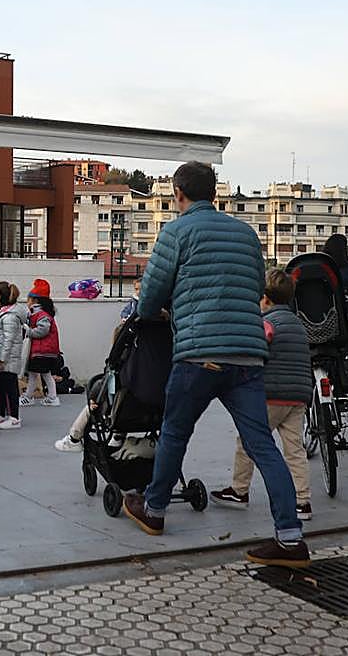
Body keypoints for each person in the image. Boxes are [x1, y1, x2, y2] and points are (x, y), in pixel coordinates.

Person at [119, 161, 309, 569]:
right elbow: (254, 286)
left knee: (174, 432)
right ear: (215, 194)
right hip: (248, 355)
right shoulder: (245, 234)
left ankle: (153, 511)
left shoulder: (177, 231)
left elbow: (150, 295)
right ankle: (291, 539)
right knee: (263, 445)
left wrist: (162, 309)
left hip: (199, 353)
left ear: (179, 194)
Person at [212, 269, 314, 521]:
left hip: (271, 395)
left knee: (248, 442)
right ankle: (302, 502)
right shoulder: (299, 325)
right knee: (295, 451)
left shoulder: (267, 323)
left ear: (266, 300)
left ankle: (239, 490)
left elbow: (258, 348)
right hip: (298, 397)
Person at [0, 281, 25, 430]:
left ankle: (14, 417)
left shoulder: (10, 316)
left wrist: (2, 358)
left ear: (3, 297)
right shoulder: (2, 313)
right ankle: (0, 414)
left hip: (6, 361)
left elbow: (8, 339)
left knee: (10, 388)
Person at [21, 279, 62, 407]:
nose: (27, 303)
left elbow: (42, 331)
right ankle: (51, 397)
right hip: (47, 351)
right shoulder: (42, 314)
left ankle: (28, 397)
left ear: (35, 301)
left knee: (34, 374)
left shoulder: (41, 315)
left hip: (42, 351)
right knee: (45, 374)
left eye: (28, 300)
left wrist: (28, 331)